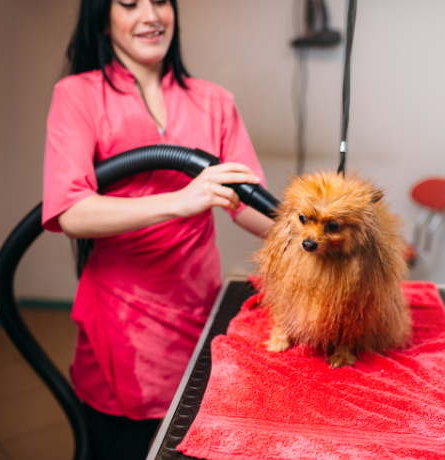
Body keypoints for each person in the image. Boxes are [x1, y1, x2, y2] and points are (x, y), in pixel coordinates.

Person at [41, 0, 273, 458]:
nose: (151, 15)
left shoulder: (214, 100)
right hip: (121, 325)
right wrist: (184, 199)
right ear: (103, 20)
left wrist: (317, 231)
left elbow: (248, 204)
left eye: (161, 1)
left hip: (198, 312)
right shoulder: (78, 95)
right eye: (129, 3)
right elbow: (71, 211)